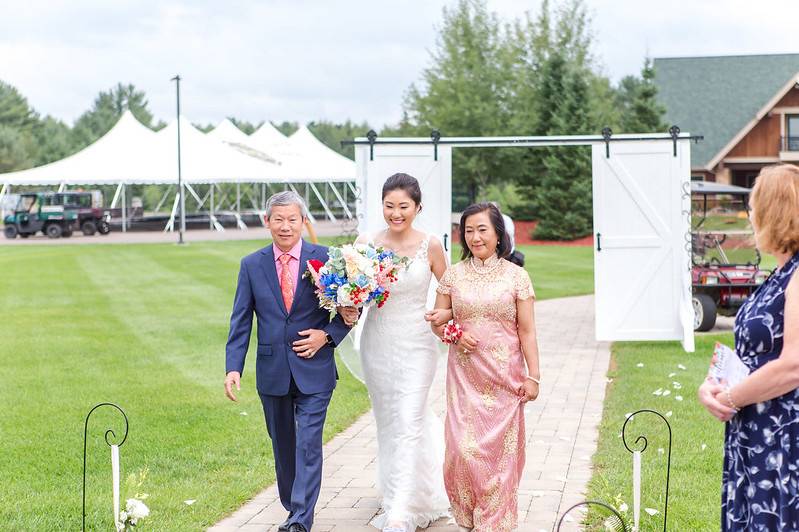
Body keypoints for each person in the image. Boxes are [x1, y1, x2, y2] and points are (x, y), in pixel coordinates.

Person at [224, 191, 358, 532]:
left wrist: (326, 336)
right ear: (266, 222)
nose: (286, 226)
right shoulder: (251, 265)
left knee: (309, 443)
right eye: (278, 220)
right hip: (272, 371)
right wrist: (233, 367)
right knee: (283, 447)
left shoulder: (327, 259)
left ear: (303, 222)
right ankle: (292, 507)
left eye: (292, 219)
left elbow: (349, 310)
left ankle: (300, 519)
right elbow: (241, 320)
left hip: (315, 369)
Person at [697, 164, 799, 531]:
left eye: (755, 207)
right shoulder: (779, 274)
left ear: (774, 211)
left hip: (784, 433)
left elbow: (793, 365)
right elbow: (752, 352)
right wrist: (712, 387)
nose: (750, 216)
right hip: (754, 430)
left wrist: (730, 398)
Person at [431, 202, 540, 532]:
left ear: (498, 234)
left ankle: (494, 523)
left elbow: (527, 330)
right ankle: (467, 514)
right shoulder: (453, 275)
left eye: (482, 229)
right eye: (469, 230)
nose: (475, 237)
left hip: (505, 379)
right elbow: (437, 321)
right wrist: (454, 332)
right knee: (461, 451)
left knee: (498, 456)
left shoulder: (517, 277)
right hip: (464, 377)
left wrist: (533, 376)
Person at [355, 173, 451, 532]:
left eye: (403, 206)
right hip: (377, 342)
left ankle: (401, 511)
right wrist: (350, 302)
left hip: (418, 342)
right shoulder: (366, 242)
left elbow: (451, 288)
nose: (396, 213)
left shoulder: (430, 245)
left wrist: (442, 313)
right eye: (389, 206)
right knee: (389, 420)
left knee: (410, 418)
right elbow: (356, 292)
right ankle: (399, 491)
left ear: (417, 207)